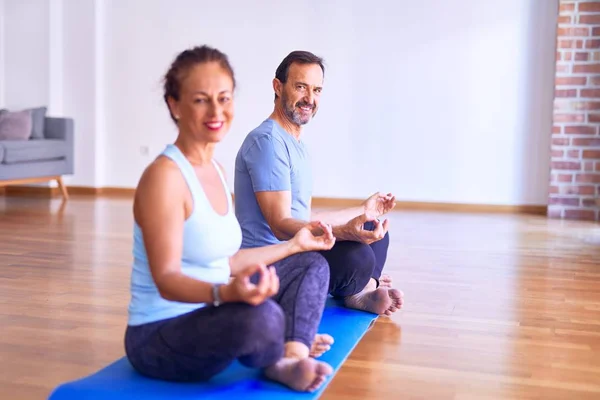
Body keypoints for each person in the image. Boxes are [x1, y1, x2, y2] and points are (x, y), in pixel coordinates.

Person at [124, 45, 337, 393]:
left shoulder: (216, 170)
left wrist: (294, 245)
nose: (216, 111)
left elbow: (228, 261)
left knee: (310, 263)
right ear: (174, 105)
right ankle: (280, 356)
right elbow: (166, 279)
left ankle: (289, 349)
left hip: (209, 312)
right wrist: (228, 293)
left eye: (224, 98)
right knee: (263, 317)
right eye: (200, 100)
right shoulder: (164, 177)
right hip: (158, 334)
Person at [234, 50, 403, 316]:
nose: (309, 99)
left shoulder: (296, 144)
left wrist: (364, 210)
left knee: (374, 228)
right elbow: (280, 226)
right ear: (278, 87)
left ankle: (363, 287)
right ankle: (360, 288)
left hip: (298, 246)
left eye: (317, 90)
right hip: (272, 262)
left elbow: (304, 217)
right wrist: (344, 232)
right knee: (357, 259)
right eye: (301, 87)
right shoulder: (267, 142)